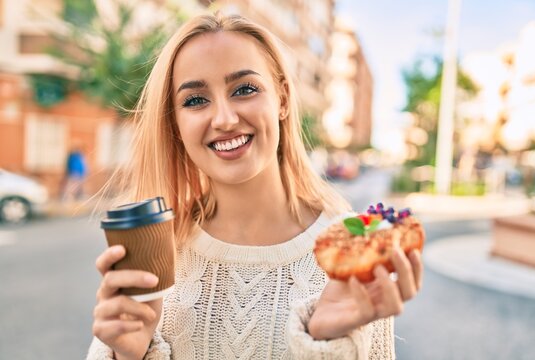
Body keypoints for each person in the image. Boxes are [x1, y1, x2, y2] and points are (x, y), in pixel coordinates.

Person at [87, 13, 423, 360]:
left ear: (282, 98)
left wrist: (326, 342)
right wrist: (128, 355)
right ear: (176, 122)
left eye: (244, 89)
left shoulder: (351, 252)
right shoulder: (156, 254)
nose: (224, 119)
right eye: (195, 100)